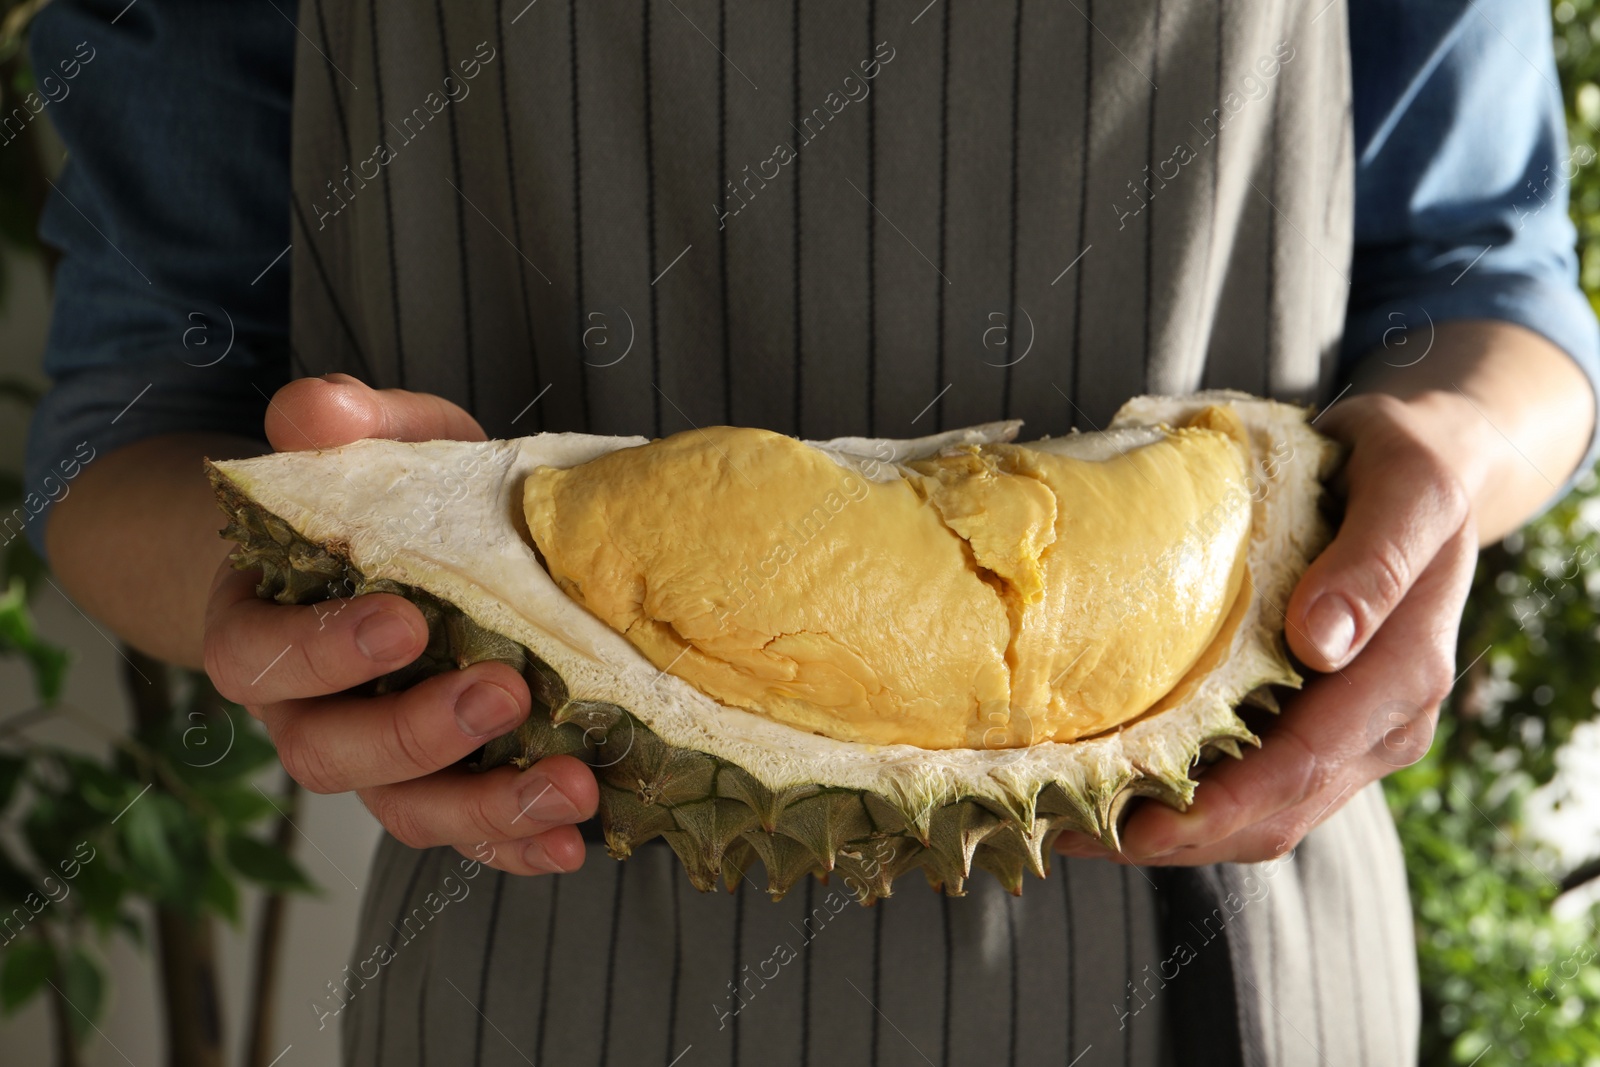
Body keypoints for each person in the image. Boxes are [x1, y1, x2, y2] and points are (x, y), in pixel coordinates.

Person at [22, 0, 1600, 1063]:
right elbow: (136, 409)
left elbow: (1487, 282)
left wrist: (1448, 444)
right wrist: (292, 597)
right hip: (551, 927)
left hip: (1226, 915)